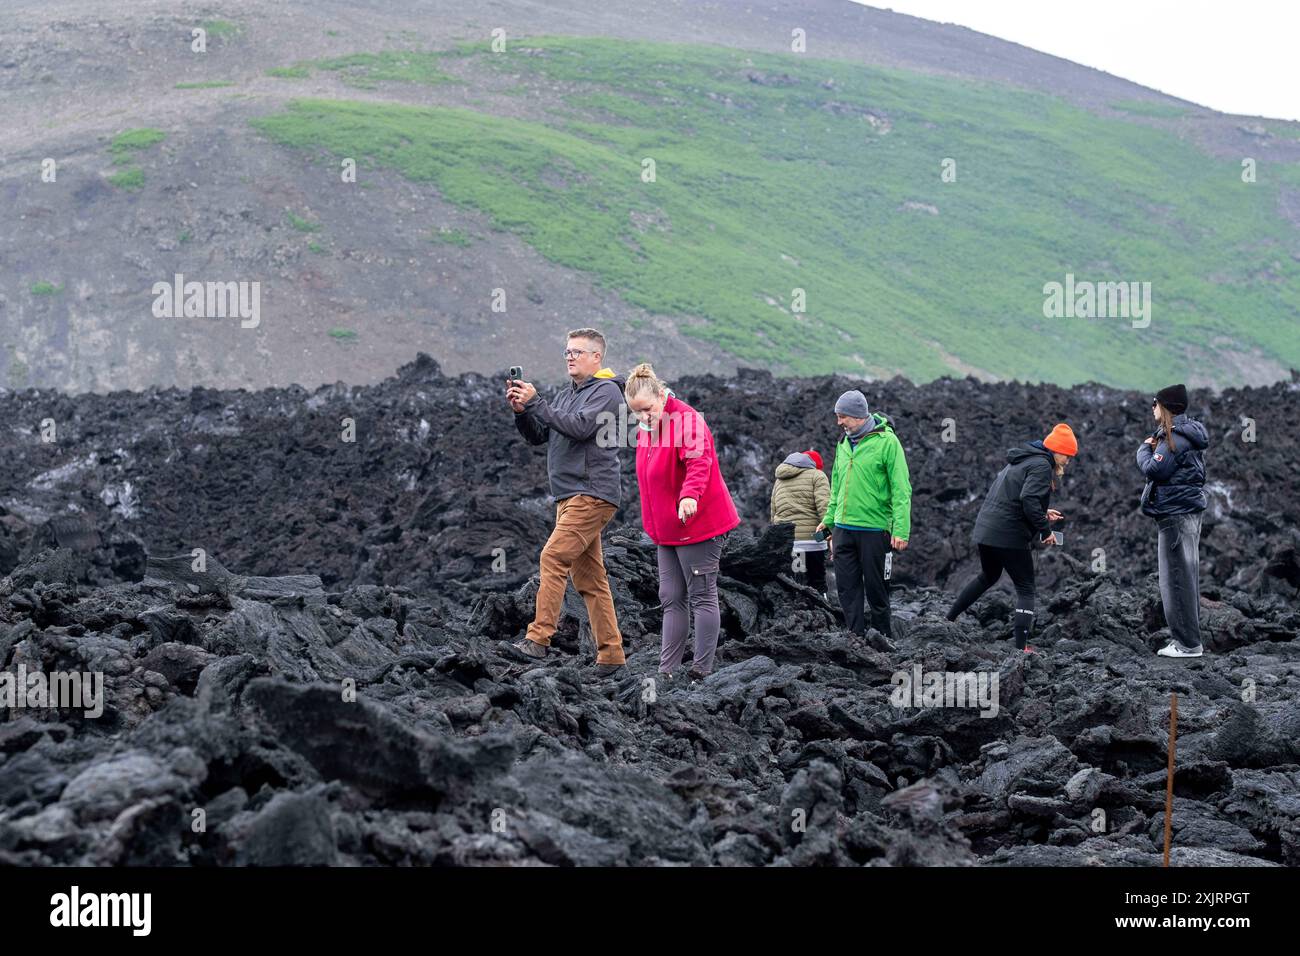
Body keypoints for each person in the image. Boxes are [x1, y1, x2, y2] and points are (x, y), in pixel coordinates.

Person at [504, 328, 627, 676]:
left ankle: (539, 640)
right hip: (571, 496)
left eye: (577, 351)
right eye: (567, 352)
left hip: (591, 493)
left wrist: (538, 404)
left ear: (596, 357)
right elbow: (540, 435)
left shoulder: (606, 392)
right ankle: (612, 656)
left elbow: (581, 427)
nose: (570, 357)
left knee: (552, 557)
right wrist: (522, 412)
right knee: (590, 578)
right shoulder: (567, 394)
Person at [624, 362, 740, 682]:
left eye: (647, 409)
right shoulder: (648, 429)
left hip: (697, 526)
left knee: (702, 597)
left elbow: (698, 462)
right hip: (666, 532)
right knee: (671, 598)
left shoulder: (687, 421)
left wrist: (689, 496)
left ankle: (701, 671)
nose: (643, 418)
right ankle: (668, 671)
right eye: (636, 413)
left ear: (661, 396)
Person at [945, 424, 1077, 654]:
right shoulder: (1042, 466)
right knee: (1026, 589)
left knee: (988, 575)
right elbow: (1028, 499)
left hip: (986, 530)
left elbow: (1014, 497)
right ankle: (1020, 648)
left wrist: (1043, 513)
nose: (1068, 460)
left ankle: (948, 619)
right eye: (1066, 455)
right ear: (1056, 451)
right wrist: (1046, 531)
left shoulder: (1022, 460)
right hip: (1008, 535)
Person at [815, 390, 912, 641]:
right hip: (844, 529)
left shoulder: (887, 442)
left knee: (877, 589)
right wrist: (828, 521)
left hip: (875, 529)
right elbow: (836, 488)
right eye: (838, 417)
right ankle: (854, 637)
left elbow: (901, 489)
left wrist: (900, 530)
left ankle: (883, 637)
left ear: (858, 416)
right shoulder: (843, 443)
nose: (839, 422)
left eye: (843, 417)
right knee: (847, 588)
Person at [1137, 383, 1209, 658]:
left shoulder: (1175, 438)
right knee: (1187, 576)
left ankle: (1187, 645)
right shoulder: (1189, 434)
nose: (1152, 407)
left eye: (1155, 403)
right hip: (1188, 512)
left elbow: (1156, 469)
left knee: (1175, 578)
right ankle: (1189, 641)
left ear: (1165, 406)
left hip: (1175, 515)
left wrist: (1143, 450)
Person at [770, 449, 830, 596]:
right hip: (813, 541)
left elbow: (773, 512)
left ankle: (797, 614)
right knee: (817, 582)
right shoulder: (817, 476)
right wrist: (829, 535)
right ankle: (824, 611)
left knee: (796, 583)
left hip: (788, 542)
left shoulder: (779, 479)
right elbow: (825, 509)